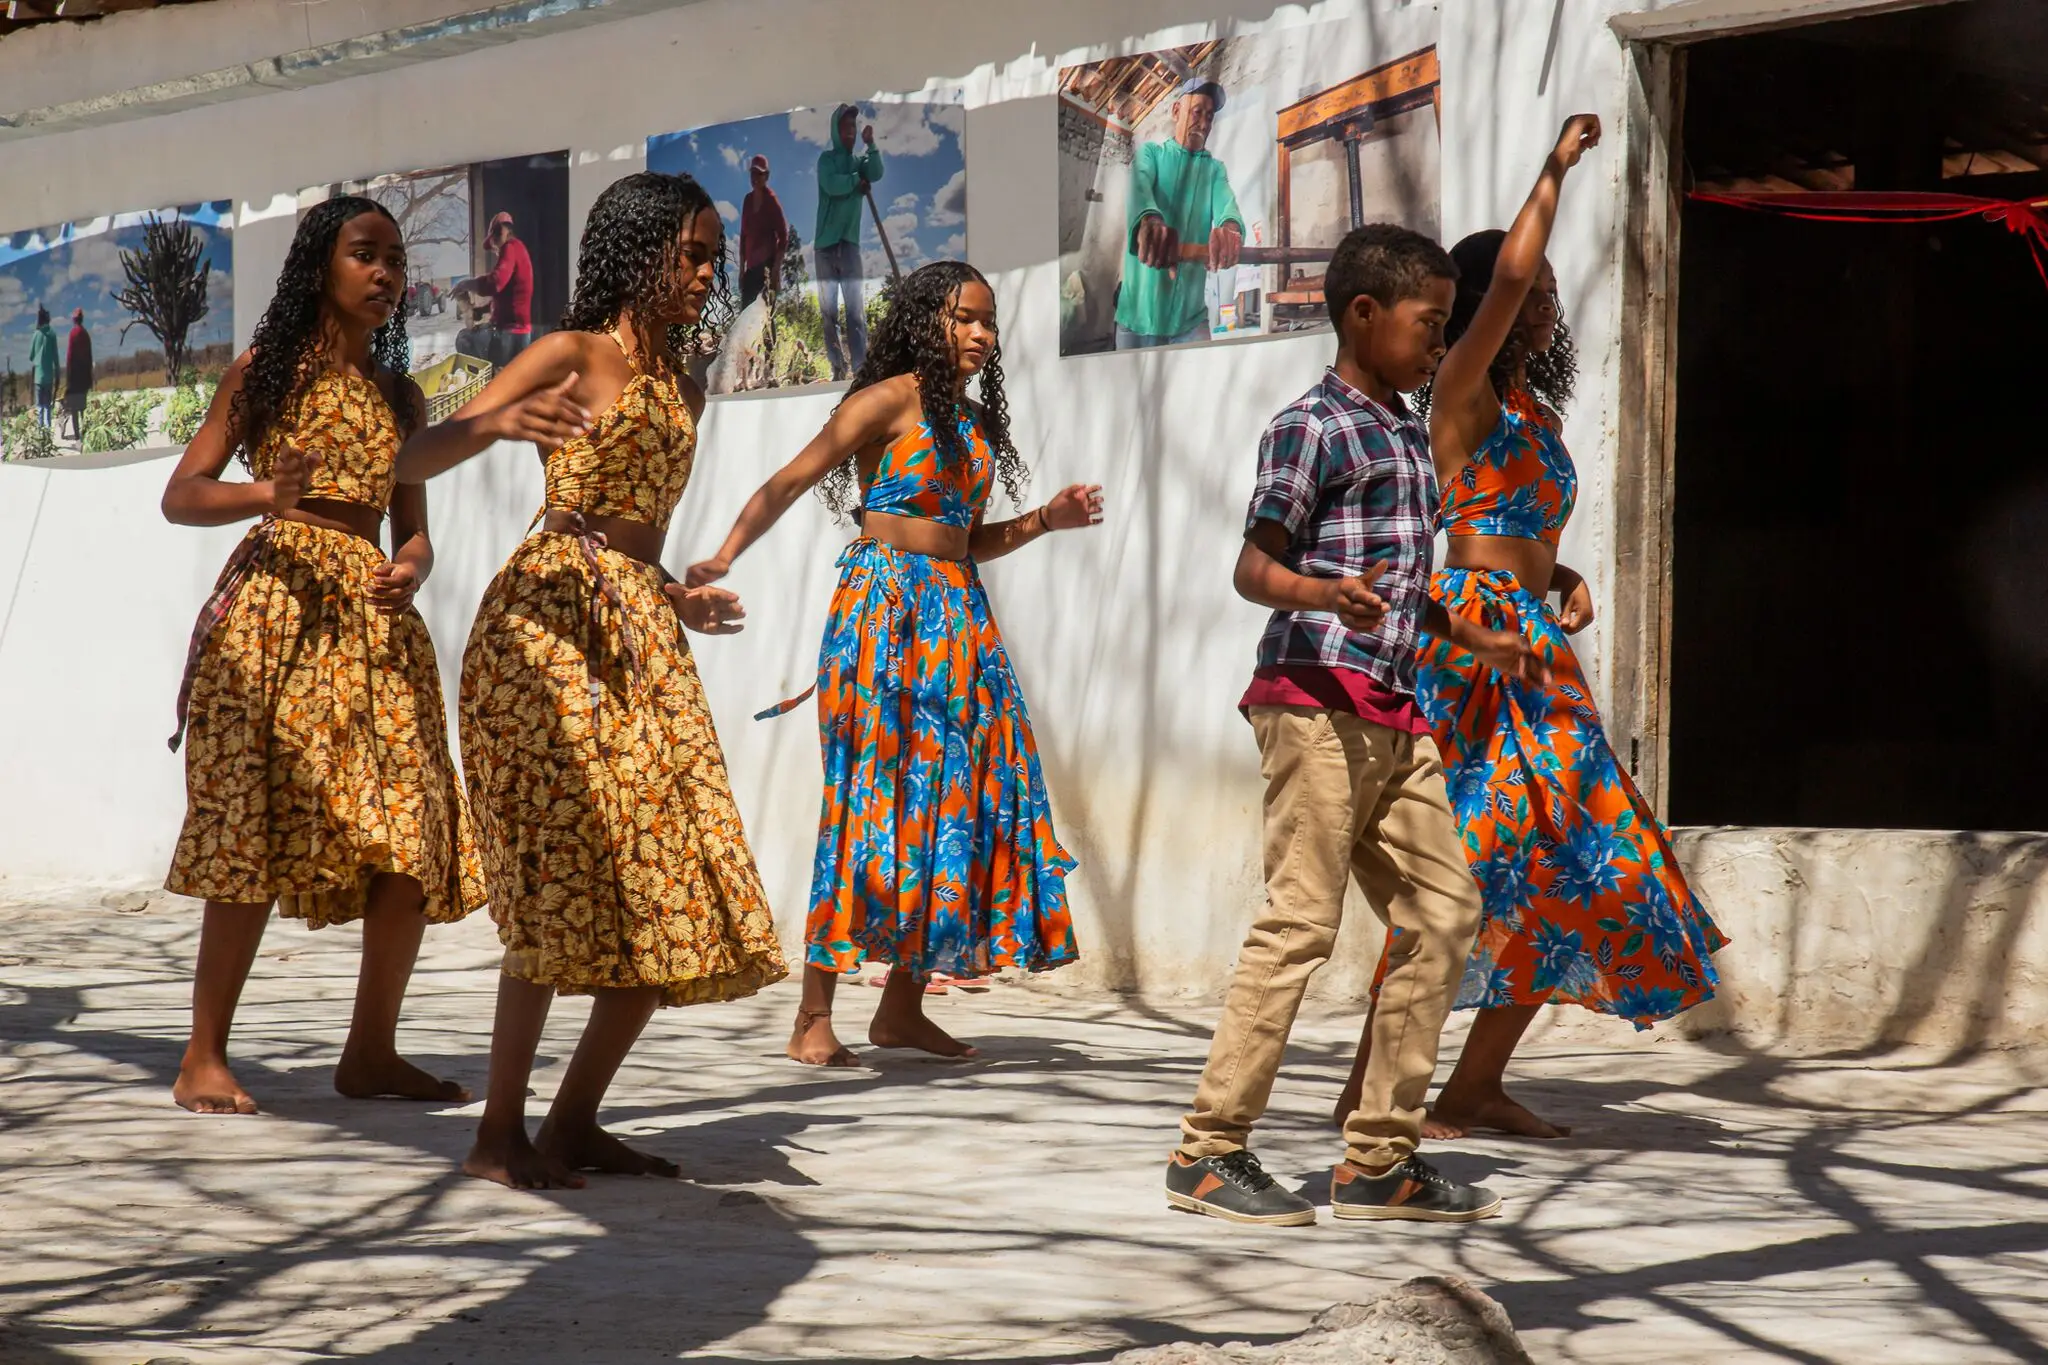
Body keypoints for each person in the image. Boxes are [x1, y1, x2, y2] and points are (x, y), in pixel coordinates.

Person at [1335, 116, 1726, 1141]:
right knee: (1466, 864)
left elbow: (1514, 530)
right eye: (1533, 293)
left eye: (1551, 294)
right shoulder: (1457, 396)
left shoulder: (1535, 420)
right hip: (1469, 647)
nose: (1545, 304)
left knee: (1574, 861)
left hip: (1534, 646)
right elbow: (1506, 278)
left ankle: (1471, 1085)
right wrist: (1552, 169)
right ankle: (1368, 1090)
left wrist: (1565, 575)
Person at [395, 171, 786, 1191]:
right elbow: (412, 457)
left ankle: (570, 1125)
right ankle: (497, 1134)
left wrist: (679, 596)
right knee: (557, 876)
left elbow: (637, 533)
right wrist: (493, 425)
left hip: (641, 629)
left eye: (713, 258)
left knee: (673, 876)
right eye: (691, 254)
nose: (706, 273)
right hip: (544, 628)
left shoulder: (686, 384)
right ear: (640, 248)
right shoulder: (570, 353)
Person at [1165, 223, 1549, 1228]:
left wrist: (1468, 632)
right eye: (1430, 321)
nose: (1441, 340)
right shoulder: (1312, 427)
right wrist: (1321, 592)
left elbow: (1401, 587)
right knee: (1301, 921)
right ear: (1363, 314)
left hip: (1394, 707)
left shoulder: (1407, 433)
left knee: (1445, 912)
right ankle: (1207, 1151)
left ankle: (1378, 1159)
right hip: (1311, 700)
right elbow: (1254, 567)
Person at [689, 260, 1101, 1067]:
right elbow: (791, 479)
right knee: (868, 798)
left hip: (958, 618)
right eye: (964, 317)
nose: (981, 333)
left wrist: (1044, 521)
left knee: (953, 801)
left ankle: (901, 1008)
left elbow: (964, 540)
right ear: (923, 321)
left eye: (989, 322)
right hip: (882, 614)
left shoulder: (974, 423)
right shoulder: (886, 401)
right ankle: (812, 1015)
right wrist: (726, 553)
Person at [157, 196, 484, 1116]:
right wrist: (267, 493)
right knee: (253, 824)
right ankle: (202, 1056)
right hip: (275, 616)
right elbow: (182, 494)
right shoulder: (264, 372)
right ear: (320, 266)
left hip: (377, 627)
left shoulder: (403, 397)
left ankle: (371, 1051)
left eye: (396, 260)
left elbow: (414, 530)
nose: (385, 273)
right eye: (364, 254)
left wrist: (412, 566)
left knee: (411, 827)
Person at [1116, 77, 1244, 350]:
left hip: (1190, 321)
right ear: (1177, 111)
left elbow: (1227, 206)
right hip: (1137, 318)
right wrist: (1150, 222)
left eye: (1210, 117)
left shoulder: (1214, 170)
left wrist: (1230, 229)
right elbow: (1140, 190)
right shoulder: (1151, 154)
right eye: (1197, 112)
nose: (1204, 124)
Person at [815, 103, 884, 380]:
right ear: (836, 130)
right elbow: (832, 185)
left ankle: (860, 368)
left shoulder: (859, 162)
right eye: (844, 127)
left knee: (855, 311)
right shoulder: (826, 160)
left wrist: (871, 145)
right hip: (825, 246)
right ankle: (837, 367)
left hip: (849, 244)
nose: (850, 132)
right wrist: (856, 181)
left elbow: (876, 172)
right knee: (828, 312)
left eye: (852, 127)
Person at [462, 210, 535, 369]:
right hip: (518, 331)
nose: (495, 248)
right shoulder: (517, 250)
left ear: (504, 232)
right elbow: (505, 297)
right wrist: (481, 310)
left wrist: (468, 284)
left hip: (510, 333)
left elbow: (496, 282)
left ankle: (483, 375)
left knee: (464, 339)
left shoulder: (510, 247)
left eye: (495, 240)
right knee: (511, 375)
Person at [739, 153, 788, 310]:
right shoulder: (747, 200)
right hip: (750, 269)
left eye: (759, 174)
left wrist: (776, 269)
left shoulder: (771, 201)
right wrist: (741, 270)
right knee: (745, 314)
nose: (755, 178)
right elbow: (743, 236)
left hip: (766, 267)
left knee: (764, 314)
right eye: (753, 173)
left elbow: (783, 236)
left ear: (766, 176)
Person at [62, 308, 93, 442]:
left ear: (74, 320)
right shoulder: (86, 334)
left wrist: (68, 377)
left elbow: (69, 356)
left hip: (74, 374)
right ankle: (85, 431)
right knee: (82, 406)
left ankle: (76, 434)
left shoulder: (73, 333)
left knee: (74, 407)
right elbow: (89, 356)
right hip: (84, 374)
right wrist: (90, 376)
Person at [29, 306, 57, 430]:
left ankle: (40, 433)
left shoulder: (36, 334)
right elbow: (55, 357)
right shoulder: (52, 334)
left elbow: (31, 356)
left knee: (39, 406)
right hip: (49, 375)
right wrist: (57, 373)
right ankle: (48, 430)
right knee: (47, 406)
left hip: (38, 376)